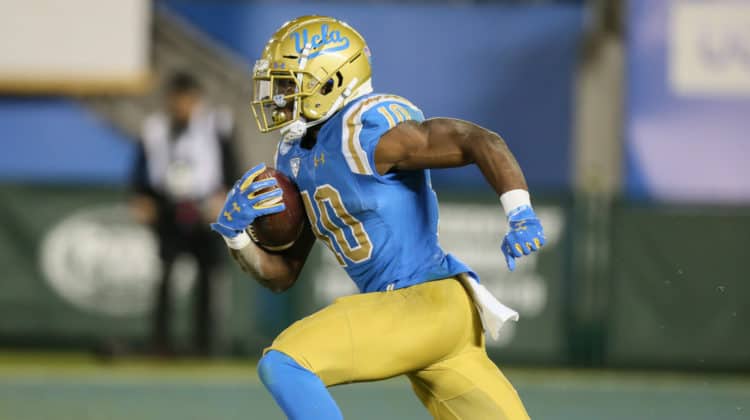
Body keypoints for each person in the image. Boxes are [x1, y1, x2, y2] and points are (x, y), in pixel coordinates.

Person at [210, 16, 545, 419]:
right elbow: (283, 274)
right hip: (441, 317)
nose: (279, 96)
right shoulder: (295, 155)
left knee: (285, 363)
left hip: (421, 303)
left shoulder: (364, 131)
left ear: (331, 80)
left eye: (288, 83)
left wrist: (519, 211)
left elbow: (479, 141)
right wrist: (237, 239)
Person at [132, 71, 236, 357]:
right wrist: (141, 197)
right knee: (165, 276)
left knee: (208, 275)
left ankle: (204, 344)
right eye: (177, 100)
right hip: (168, 206)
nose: (182, 106)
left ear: (196, 99)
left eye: (187, 100)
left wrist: (223, 198)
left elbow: (231, 164)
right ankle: (160, 342)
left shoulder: (216, 125)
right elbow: (141, 166)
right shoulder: (154, 128)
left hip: (205, 207)